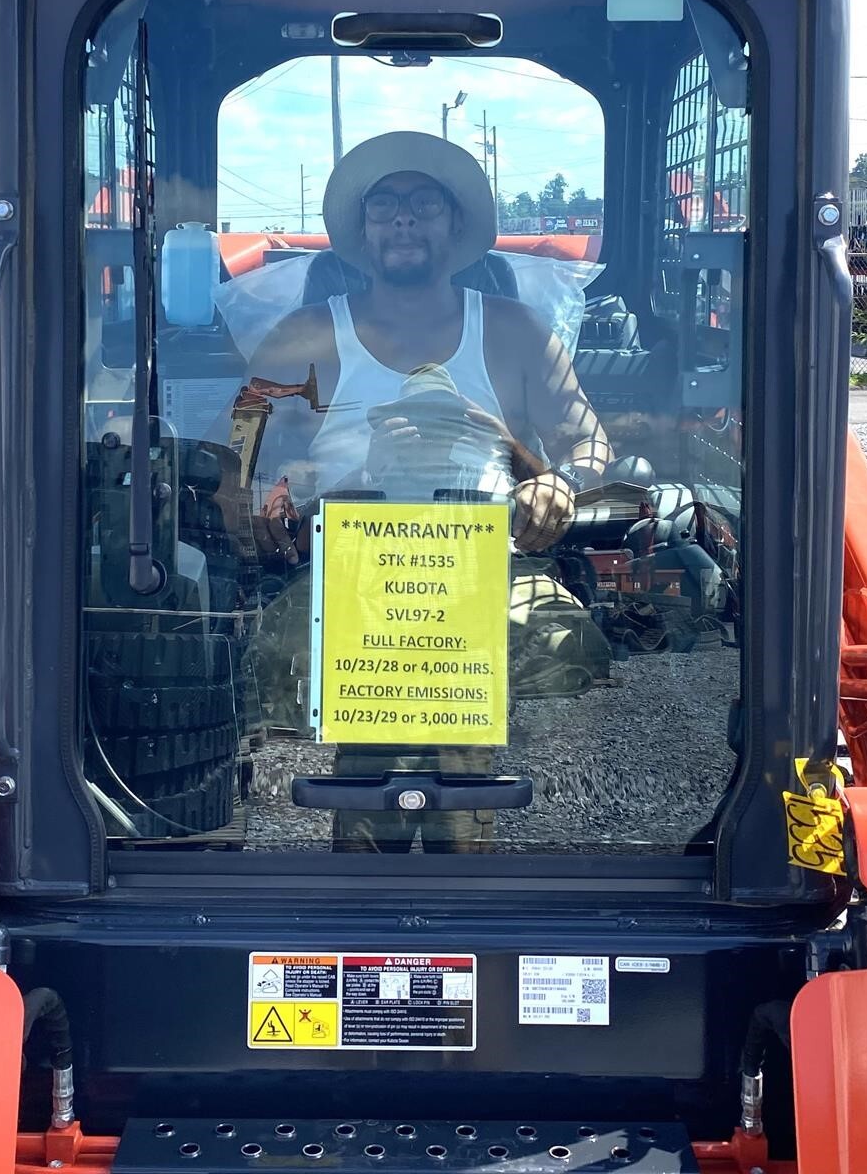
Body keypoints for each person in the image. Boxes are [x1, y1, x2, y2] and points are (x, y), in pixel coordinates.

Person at [238, 131, 615, 852]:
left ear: (454, 225)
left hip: (486, 582)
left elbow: (591, 445)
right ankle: (378, 887)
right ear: (361, 228)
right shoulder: (304, 335)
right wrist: (270, 497)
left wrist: (559, 484)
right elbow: (241, 458)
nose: (404, 219)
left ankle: (452, 881)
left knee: (473, 764)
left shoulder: (513, 329)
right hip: (340, 588)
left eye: (424, 205)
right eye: (385, 205)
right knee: (363, 772)